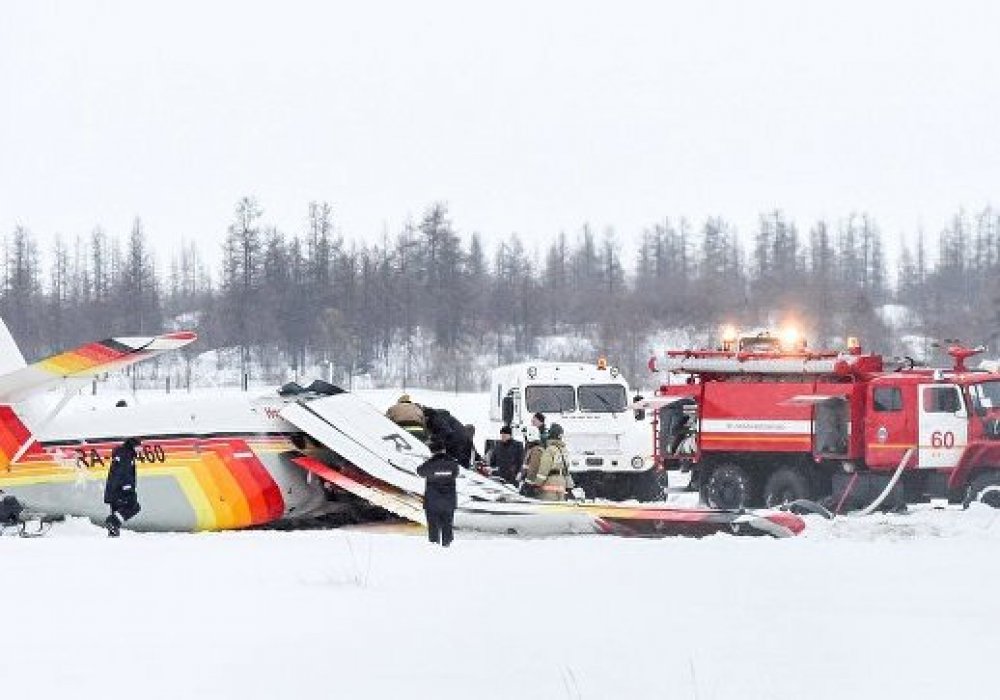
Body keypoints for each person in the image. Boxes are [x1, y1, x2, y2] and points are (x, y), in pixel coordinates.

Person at [416, 439, 460, 547]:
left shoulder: (429, 464)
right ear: (444, 450)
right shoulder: (453, 463)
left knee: (433, 528)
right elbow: (456, 473)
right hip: (449, 501)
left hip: (433, 502)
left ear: (432, 451)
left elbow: (419, 471)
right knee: (447, 526)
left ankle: (434, 548)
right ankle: (447, 547)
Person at [104, 437, 142, 537]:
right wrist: (127, 487)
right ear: (133, 446)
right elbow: (123, 472)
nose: (140, 450)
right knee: (134, 506)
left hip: (114, 490)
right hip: (121, 490)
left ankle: (113, 535)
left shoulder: (122, 454)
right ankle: (112, 521)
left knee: (116, 510)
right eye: (138, 447)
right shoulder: (126, 455)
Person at [526, 423, 569, 501]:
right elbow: (567, 470)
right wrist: (569, 485)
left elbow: (543, 470)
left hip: (550, 483)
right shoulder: (564, 450)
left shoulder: (549, 450)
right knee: (561, 507)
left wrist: (536, 484)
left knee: (548, 509)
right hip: (562, 482)